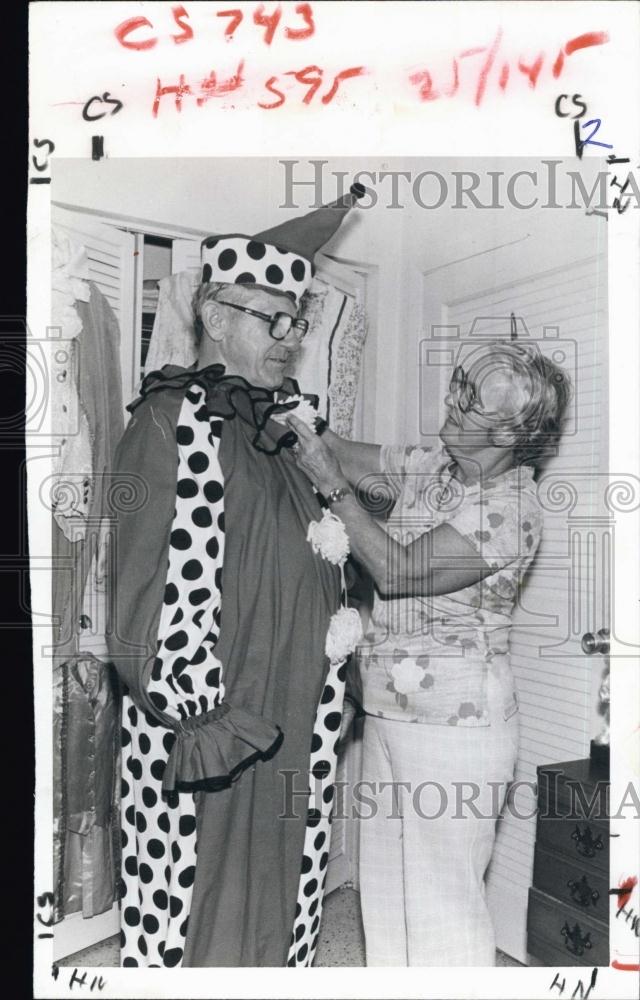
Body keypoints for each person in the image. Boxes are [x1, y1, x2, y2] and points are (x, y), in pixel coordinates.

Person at [107, 185, 365, 967]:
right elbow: (145, 593)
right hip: (217, 720)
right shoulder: (167, 420)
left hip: (297, 703)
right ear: (217, 317)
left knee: (288, 893)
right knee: (196, 901)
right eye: (271, 319)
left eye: (298, 321)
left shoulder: (288, 427)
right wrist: (201, 720)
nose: (290, 336)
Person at [287, 341, 572, 966]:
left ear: (511, 431)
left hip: (457, 731)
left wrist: (333, 491)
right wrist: (299, 418)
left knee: (444, 903)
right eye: (459, 383)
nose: (452, 397)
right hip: (389, 712)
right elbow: (339, 451)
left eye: (470, 398)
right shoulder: (436, 465)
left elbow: (397, 570)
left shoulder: (511, 508)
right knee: (386, 894)